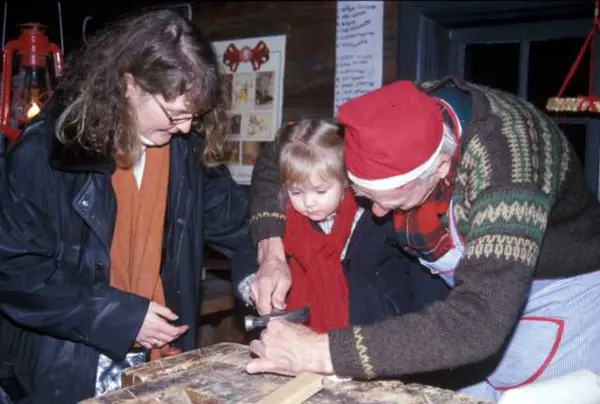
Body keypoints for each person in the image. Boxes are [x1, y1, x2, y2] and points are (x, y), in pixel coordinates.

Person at [244, 77, 600, 402]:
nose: (379, 215)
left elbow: (477, 323)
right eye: (365, 197)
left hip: (560, 293)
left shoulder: (511, 169)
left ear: (442, 168)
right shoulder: (389, 118)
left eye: (389, 202)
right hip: (478, 298)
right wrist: (271, 252)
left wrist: (320, 351)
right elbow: (281, 150)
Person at [0, 9, 256, 403]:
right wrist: (117, 316)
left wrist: (262, 263)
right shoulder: (44, 154)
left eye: (193, 116)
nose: (186, 128)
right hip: (66, 371)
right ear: (129, 84)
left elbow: (238, 225)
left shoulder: (184, 146)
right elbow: (17, 273)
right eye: (175, 114)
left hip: (158, 361)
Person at [235, 119, 448, 332]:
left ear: (345, 180)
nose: (308, 202)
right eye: (296, 192)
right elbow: (248, 249)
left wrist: (420, 328)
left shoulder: (379, 216)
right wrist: (253, 285)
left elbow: (420, 272)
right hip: (298, 334)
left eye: (320, 191)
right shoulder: (280, 218)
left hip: (376, 334)